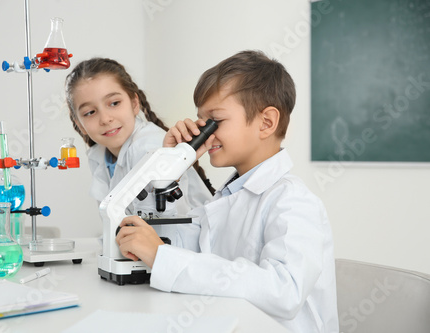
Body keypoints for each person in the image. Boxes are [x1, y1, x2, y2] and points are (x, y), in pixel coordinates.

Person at [115, 51, 338, 332]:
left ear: (266, 123)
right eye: (201, 122)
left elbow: (285, 292)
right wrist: (166, 167)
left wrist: (163, 257)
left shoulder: (293, 201)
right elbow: (169, 245)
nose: (203, 134)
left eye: (215, 121)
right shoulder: (228, 196)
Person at [65, 57, 214, 227]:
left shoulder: (147, 146)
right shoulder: (99, 155)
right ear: (80, 125)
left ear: (135, 103)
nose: (105, 119)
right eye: (90, 112)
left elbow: (167, 225)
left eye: (114, 103)